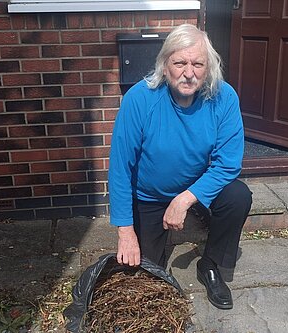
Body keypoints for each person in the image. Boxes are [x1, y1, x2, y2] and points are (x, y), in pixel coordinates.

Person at [108, 23, 252, 310]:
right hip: (149, 194)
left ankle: (210, 264)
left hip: (193, 188)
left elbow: (228, 164)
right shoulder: (139, 99)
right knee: (145, 273)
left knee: (238, 196)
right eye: (180, 62)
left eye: (198, 64)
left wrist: (185, 199)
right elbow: (120, 167)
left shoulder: (224, 98)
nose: (189, 73)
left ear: (208, 68)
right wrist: (125, 232)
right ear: (164, 65)